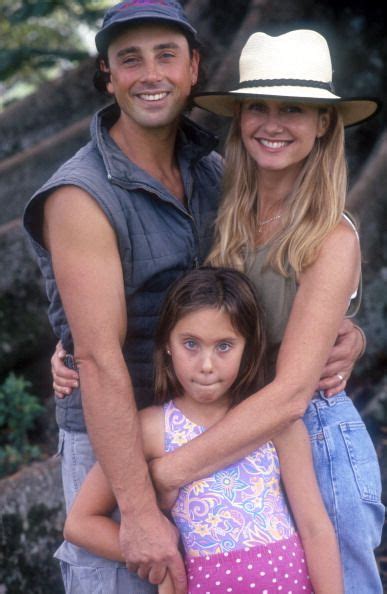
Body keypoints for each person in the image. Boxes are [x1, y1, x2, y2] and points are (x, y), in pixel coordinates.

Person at [24, 1, 364, 590]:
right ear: (107, 74)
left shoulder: (212, 173)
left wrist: (346, 329)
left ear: (194, 68)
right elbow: (100, 358)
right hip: (121, 444)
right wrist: (136, 503)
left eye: (166, 56)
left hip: (228, 431)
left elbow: (251, 301)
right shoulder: (82, 195)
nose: (150, 74)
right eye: (130, 59)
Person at [144, 30, 384, 593]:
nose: (271, 124)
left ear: (324, 123)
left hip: (313, 438)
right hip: (239, 437)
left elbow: (293, 392)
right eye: (258, 106)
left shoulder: (330, 237)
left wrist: (173, 468)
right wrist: (74, 347)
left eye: (294, 110)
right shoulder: (222, 208)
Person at [63, 267, 344, 594]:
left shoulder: (274, 421)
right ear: (168, 343)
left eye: (224, 346)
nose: (206, 364)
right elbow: (80, 524)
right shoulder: (151, 428)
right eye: (191, 344)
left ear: (248, 347)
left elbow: (314, 528)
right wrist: (167, 562)